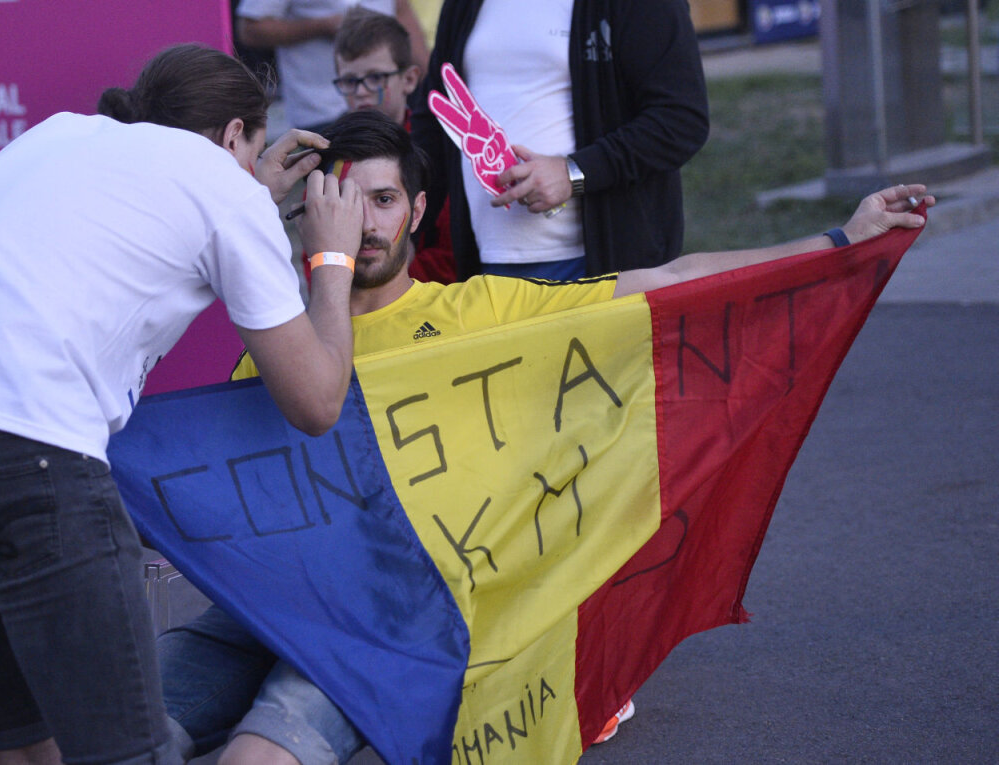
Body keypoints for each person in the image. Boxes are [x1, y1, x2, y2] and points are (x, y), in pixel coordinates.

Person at [156, 109, 935, 764]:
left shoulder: (481, 313)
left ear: (419, 214)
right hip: (261, 605)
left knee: (254, 759)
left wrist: (842, 242)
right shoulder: (273, 349)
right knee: (106, 727)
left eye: (385, 200)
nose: (363, 224)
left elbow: (667, 282)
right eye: (343, 202)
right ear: (309, 211)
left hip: (381, 622)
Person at [0, 44, 365, 765]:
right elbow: (316, 399)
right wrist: (329, 261)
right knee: (123, 753)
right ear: (236, 136)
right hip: (19, 449)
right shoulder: (225, 188)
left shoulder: (62, 132)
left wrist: (245, 191)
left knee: (29, 746)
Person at [409, 0, 710, 281]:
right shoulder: (464, 5)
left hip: (599, 266)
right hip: (485, 267)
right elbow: (432, 119)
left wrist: (574, 172)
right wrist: (404, 233)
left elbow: (681, 119)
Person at [332, 5, 456, 284]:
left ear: (410, 79)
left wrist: (387, 281)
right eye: (350, 81)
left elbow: (451, 255)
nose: (362, 91)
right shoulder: (330, 155)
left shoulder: (436, 152)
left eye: (376, 78)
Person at [237, 0, 429, 132]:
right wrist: (323, 26)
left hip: (393, 101)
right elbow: (249, 28)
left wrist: (432, 81)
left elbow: (400, 9)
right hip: (321, 110)